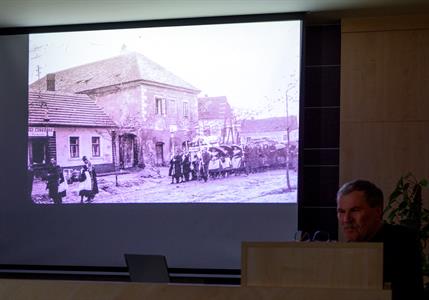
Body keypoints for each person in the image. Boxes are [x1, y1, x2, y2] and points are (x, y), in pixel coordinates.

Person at [336, 179, 423, 300]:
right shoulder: (346, 250)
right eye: (341, 211)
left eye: (355, 210)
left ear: (377, 211)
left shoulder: (404, 241)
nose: (346, 219)